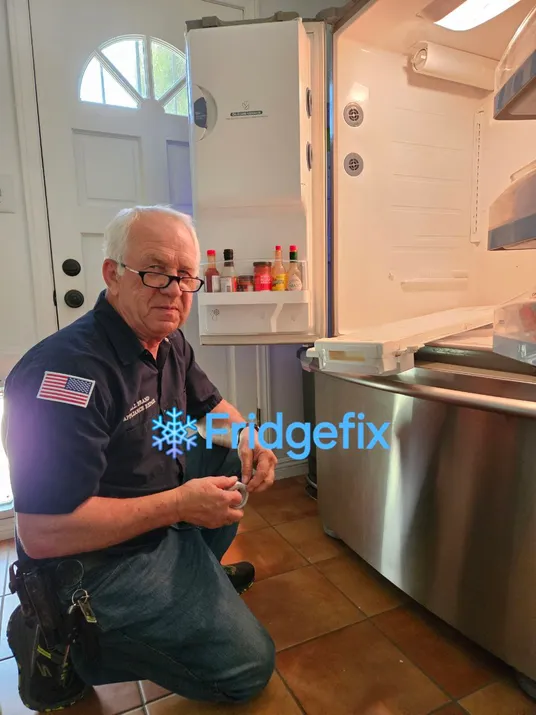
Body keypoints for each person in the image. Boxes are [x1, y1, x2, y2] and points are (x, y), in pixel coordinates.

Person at [1, 205, 277, 712]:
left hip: (151, 506)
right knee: (249, 669)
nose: (173, 289)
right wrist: (177, 506)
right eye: (154, 271)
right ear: (113, 274)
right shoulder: (63, 377)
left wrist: (249, 439)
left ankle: (195, 577)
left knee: (224, 461)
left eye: (185, 277)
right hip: (90, 564)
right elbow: (42, 533)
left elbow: (211, 408)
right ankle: (54, 637)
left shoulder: (167, 340)